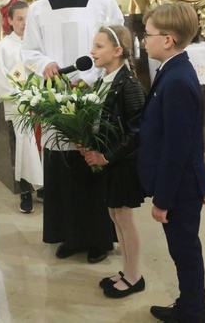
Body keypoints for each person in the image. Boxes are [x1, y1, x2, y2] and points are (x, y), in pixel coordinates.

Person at [22, 0, 124, 264]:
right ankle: (68, 235)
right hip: (57, 97)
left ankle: (98, 239)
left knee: (90, 164)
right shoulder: (38, 9)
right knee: (62, 168)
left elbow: (118, 45)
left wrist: (91, 76)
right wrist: (46, 65)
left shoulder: (103, 4)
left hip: (93, 95)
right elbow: (29, 52)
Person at [138, 2, 205, 322]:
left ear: (168, 39)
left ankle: (194, 312)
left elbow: (177, 148)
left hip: (181, 188)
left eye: (148, 34)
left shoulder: (178, 79)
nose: (143, 40)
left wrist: (163, 200)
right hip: (179, 185)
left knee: (185, 251)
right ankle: (189, 305)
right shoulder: (172, 70)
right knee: (181, 250)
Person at [80, 25, 146, 299]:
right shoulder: (103, 81)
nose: (92, 51)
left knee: (124, 217)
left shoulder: (129, 85)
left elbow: (137, 131)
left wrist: (106, 155)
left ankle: (135, 276)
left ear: (117, 51)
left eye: (99, 46)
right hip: (108, 161)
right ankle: (125, 269)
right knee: (114, 215)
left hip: (122, 163)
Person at [0, 0, 43, 213]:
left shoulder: (37, 43)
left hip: (42, 103)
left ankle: (44, 188)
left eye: (27, 19)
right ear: (9, 20)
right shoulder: (4, 46)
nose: (24, 23)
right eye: (19, 19)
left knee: (41, 146)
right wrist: (19, 94)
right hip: (19, 106)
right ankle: (26, 193)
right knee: (22, 150)